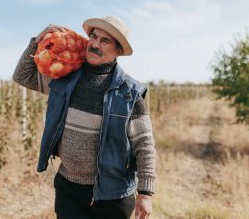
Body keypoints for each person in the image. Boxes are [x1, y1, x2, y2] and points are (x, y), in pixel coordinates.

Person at [13, 16, 156, 219]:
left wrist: (145, 193)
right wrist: (38, 41)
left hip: (112, 195)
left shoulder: (129, 93)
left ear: (118, 52)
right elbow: (22, 75)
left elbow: (144, 145)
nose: (95, 44)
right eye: (94, 37)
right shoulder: (65, 79)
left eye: (105, 41)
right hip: (69, 189)